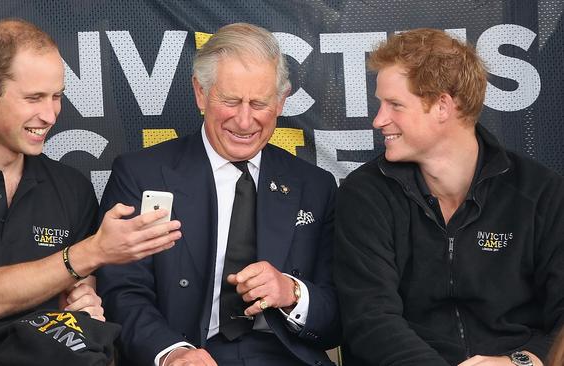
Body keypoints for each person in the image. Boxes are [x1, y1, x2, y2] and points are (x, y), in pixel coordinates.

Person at [0, 18, 181, 365]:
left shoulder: (71, 187)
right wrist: (92, 251)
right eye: (34, 98)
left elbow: (77, 293)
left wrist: (84, 303)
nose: (51, 114)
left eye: (57, 97)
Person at [97, 22, 340, 366]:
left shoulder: (315, 186)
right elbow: (122, 291)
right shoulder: (141, 175)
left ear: (281, 102)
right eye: (230, 101)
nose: (244, 121)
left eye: (259, 103)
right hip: (188, 353)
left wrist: (292, 293)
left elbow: (341, 314)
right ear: (200, 93)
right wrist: (170, 353)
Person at [334, 28, 564, 366]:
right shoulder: (365, 193)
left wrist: (524, 360)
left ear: (443, 105)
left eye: (395, 105)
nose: (378, 120)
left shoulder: (540, 192)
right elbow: (370, 320)